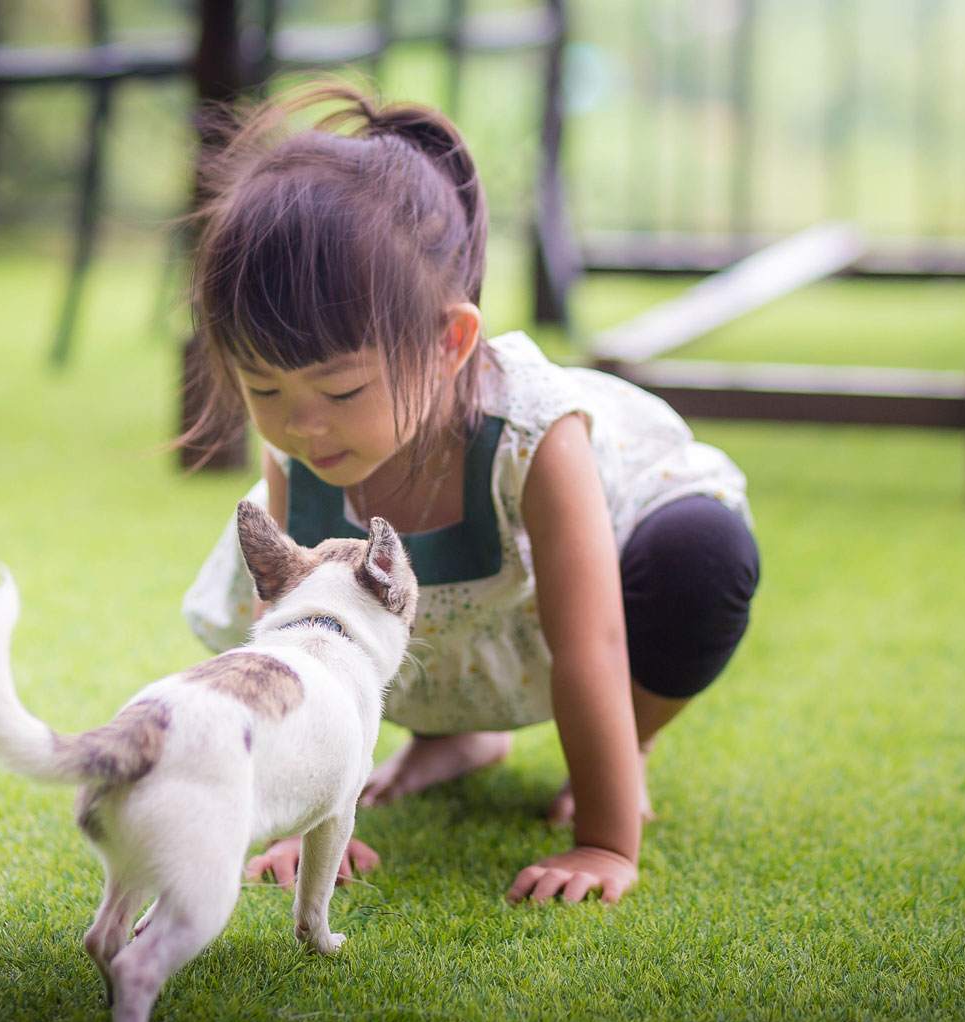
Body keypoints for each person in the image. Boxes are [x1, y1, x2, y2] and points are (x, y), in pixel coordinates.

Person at [180, 82, 760, 905]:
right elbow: (301, 654)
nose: (303, 428)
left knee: (704, 559)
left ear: (451, 342)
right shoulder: (299, 451)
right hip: (437, 615)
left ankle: (624, 750)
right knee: (347, 610)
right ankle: (458, 738)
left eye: (341, 392)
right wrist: (301, 831)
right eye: (265, 391)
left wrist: (603, 842)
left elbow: (590, 641)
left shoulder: (535, 431)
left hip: (597, 582)